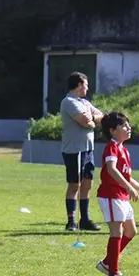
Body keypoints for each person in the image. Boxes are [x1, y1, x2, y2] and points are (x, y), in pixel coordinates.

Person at [94, 112, 139, 276]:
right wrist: (129, 187)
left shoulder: (123, 149)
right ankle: (113, 275)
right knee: (117, 232)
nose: (128, 128)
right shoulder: (111, 147)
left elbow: (126, 175)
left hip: (121, 196)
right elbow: (111, 169)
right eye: (124, 126)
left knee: (131, 231)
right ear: (112, 131)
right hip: (111, 195)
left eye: (128, 125)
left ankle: (107, 263)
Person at [59, 72, 104, 232]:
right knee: (74, 185)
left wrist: (93, 118)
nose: (87, 88)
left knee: (87, 184)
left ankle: (85, 219)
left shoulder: (84, 102)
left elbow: (100, 116)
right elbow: (86, 123)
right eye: (85, 84)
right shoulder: (69, 102)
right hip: (74, 150)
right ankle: (71, 221)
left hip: (88, 149)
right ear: (78, 85)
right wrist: (92, 120)